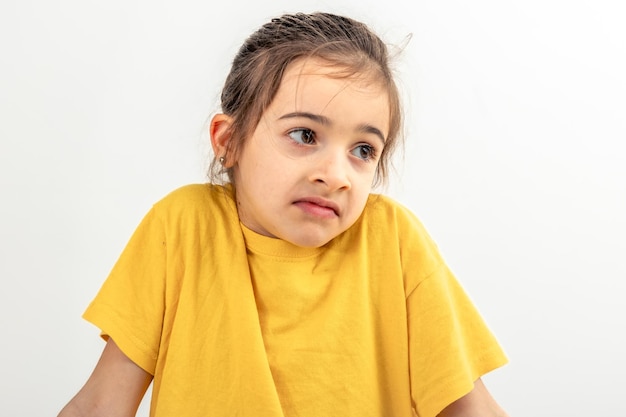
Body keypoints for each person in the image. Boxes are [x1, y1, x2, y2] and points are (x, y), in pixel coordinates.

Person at [58, 12, 509, 417]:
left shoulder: (392, 238)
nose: (336, 175)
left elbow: (472, 409)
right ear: (227, 141)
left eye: (363, 150)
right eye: (304, 134)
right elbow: (101, 404)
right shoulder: (181, 227)